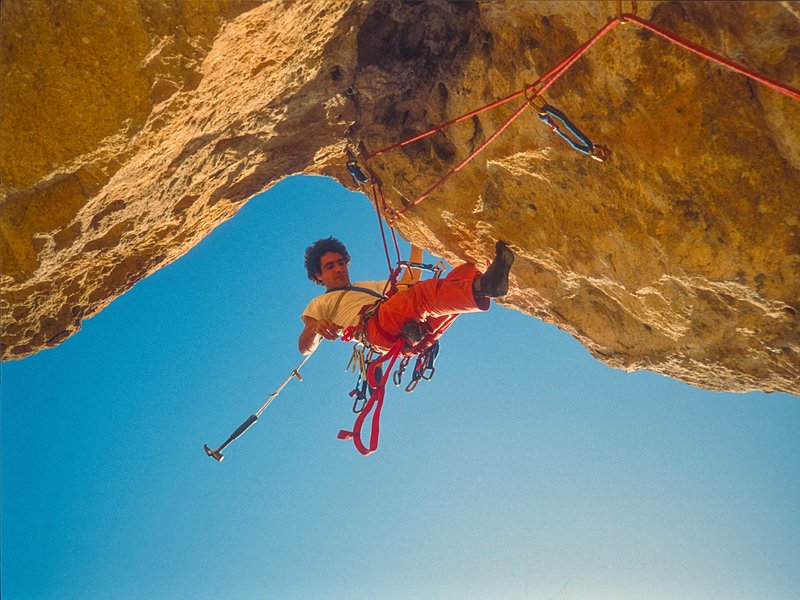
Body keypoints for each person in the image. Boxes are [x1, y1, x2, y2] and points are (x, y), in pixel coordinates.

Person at [298, 237, 514, 356]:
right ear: (319, 275)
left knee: (464, 273)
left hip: (411, 335)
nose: (338, 269)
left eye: (340, 262)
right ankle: (486, 287)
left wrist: (415, 241)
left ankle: (484, 285)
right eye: (330, 266)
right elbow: (304, 347)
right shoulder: (320, 303)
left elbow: (407, 283)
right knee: (422, 296)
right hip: (376, 328)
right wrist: (316, 328)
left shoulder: (369, 287)